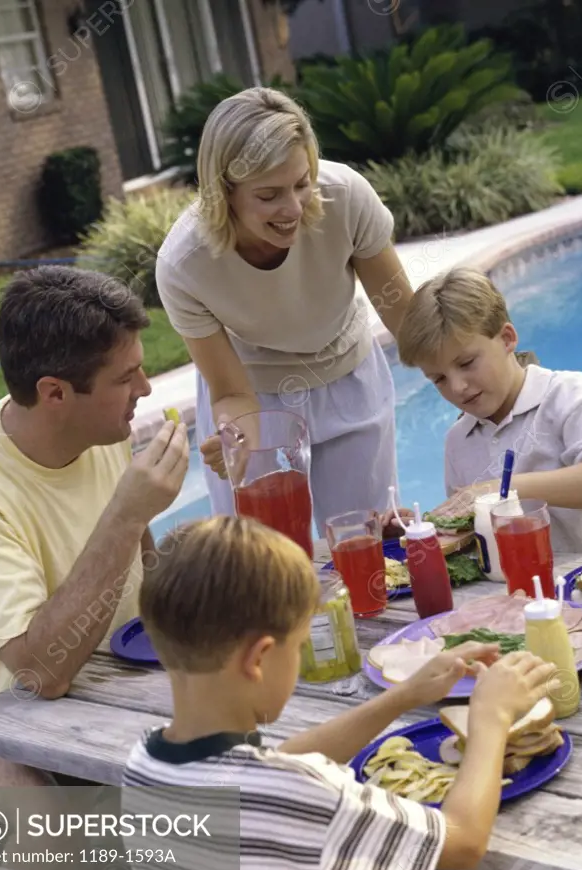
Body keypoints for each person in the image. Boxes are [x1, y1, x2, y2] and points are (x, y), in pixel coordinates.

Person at [122, 515, 582, 870]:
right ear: (260, 659)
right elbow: (465, 841)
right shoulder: (296, 799)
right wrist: (491, 719)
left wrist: (404, 696)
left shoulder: (147, 763)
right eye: (298, 648)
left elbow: (281, 764)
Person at [0, 266, 190, 790]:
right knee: (51, 829)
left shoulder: (101, 430)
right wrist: (125, 514)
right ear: (54, 393)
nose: (145, 389)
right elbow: (40, 675)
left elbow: (143, 569)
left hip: (110, 673)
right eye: (126, 378)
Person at [155, 86, 413, 535]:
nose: (293, 207)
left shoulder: (345, 197)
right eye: (269, 194)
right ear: (224, 191)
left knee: (367, 547)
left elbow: (406, 318)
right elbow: (231, 394)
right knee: (259, 568)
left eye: (301, 183)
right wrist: (237, 440)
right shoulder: (185, 263)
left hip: (348, 376)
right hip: (253, 394)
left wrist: (472, 372)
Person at [393, 266, 582, 554]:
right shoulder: (459, 440)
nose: (457, 387)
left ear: (506, 338)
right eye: (439, 379)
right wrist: (423, 528)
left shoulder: (566, 394)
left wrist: (501, 488)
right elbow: (474, 538)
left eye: (466, 363)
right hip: (521, 593)